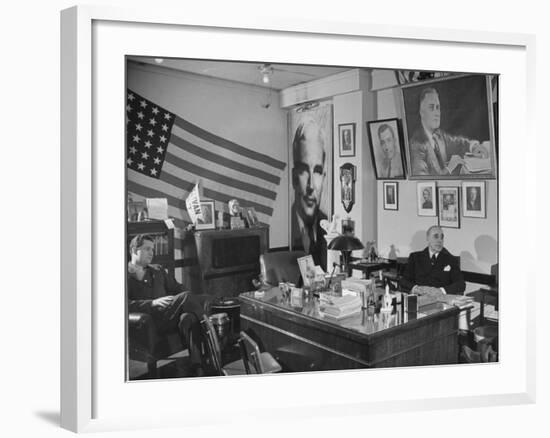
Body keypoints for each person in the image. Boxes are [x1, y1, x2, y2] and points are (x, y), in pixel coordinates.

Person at [127, 234, 211, 376]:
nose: (151, 253)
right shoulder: (123, 276)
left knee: (188, 317)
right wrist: (152, 303)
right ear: (134, 251)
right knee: (189, 298)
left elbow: (179, 289)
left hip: (169, 316)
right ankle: (213, 346)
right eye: (147, 249)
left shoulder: (158, 270)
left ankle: (198, 367)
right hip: (150, 321)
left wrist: (186, 302)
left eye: (152, 249)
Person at [409, 87, 489, 176]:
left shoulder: (438, 135)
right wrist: (449, 168)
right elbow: (422, 181)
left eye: (438, 107)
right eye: (431, 108)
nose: (437, 113)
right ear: (422, 112)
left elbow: (457, 143)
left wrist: (474, 146)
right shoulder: (416, 145)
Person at [291, 118, 328, 271]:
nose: (311, 186)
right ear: (294, 178)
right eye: (304, 170)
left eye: (317, 171)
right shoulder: (291, 228)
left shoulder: (327, 227)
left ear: (324, 178)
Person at [399, 225, 465, 295]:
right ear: (428, 238)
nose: (439, 240)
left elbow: (461, 284)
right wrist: (416, 288)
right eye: (436, 236)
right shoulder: (415, 257)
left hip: (440, 300)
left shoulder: (450, 259)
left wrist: (441, 291)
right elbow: (404, 281)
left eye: (441, 237)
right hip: (419, 298)